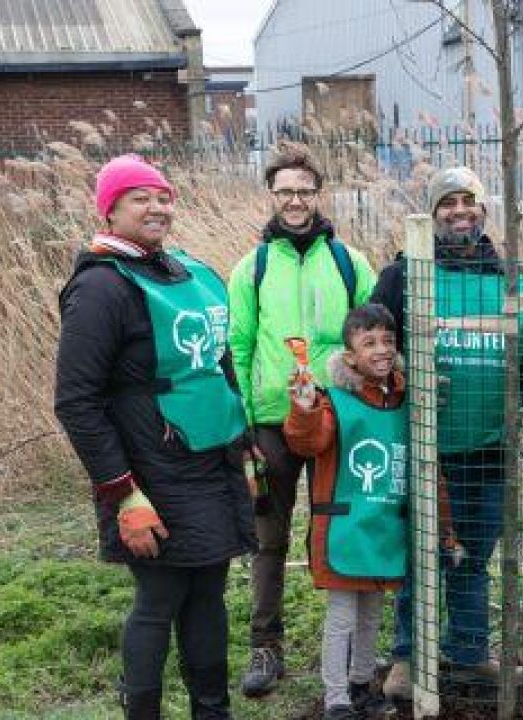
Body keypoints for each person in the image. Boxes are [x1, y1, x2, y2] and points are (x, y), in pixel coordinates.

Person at [54, 154, 256, 719]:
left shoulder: (186, 273)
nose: (157, 207)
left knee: (208, 595)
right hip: (150, 473)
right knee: (161, 598)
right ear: (110, 209)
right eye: (139, 197)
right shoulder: (99, 288)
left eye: (163, 196)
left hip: (208, 463)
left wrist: (240, 437)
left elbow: (217, 361)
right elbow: (76, 401)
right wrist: (123, 493)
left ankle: (211, 711)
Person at [370, 166, 523, 699]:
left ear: (484, 210)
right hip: (425, 445)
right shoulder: (407, 274)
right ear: (432, 215)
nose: (459, 212)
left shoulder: (508, 275)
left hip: (490, 445)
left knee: (474, 552)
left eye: (467, 202)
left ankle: (469, 651)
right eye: (447, 204)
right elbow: (375, 346)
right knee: (420, 553)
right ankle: (408, 657)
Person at [227, 144, 377, 697]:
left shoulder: (348, 261)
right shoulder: (253, 267)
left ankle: (356, 651)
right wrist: (243, 423)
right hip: (272, 420)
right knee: (269, 538)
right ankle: (266, 647)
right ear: (272, 195)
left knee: (347, 526)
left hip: (338, 418)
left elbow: (373, 333)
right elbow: (237, 348)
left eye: (305, 191)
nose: (295, 201)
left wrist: (367, 399)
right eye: (285, 191)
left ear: (319, 195)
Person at [283, 304, 405, 720]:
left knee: (371, 613)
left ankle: (361, 685)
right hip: (343, 529)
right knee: (342, 617)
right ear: (350, 356)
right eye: (369, 342)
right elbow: (308, 442)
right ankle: (336, 699)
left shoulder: (406, 402)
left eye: (388, 341)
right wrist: (303, 408)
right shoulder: (331, 402)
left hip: (384, 527)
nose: (382, 349)